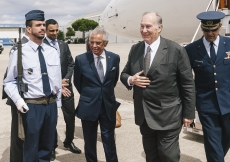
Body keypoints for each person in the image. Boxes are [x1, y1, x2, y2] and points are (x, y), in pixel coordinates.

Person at [120, 12, 195, 162]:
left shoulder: (175, 50)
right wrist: (131, 79)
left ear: (159, 28)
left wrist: (189, 113)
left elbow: (187, 83)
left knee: (168, 156)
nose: (144, 30)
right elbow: (124, 74)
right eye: (142, 26)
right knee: (151, 156)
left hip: (168, 115)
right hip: (144, 116)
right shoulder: (135, 49)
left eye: (148, 26)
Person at [3, 10, 62, 161]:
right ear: (29, 29)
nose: (43, 27)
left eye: (43, 24)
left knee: (47, 148)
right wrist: (18, 100)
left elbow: (57, 79)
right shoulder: (19, 51)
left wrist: (58, 103)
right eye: (38, 25)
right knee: (30, 150)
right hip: (31, 107)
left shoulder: (52, 50)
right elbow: (9, 81)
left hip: (51, 106)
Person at [185, 11, 230, 162]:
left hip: (228, 103)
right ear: (202, 28)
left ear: (220, 27)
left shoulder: (229, 44)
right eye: (206, 30)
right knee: (212, 140)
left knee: (226, 138)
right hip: (206, 104)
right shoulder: (191, 50)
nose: (210, 33)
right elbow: (185, 79)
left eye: (214, 29)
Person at [74, 26, 120, 162]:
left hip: (107, 106)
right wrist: (90, 96)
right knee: (89, 141)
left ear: (105, 43)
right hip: (88, 106)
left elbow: (113, 81)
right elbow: (77, 82)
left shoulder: (114, 58)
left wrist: (104, 95)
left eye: (98, 43)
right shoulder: (81, 59)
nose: (94, 45)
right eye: (91, 42)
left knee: (109, 140)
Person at [43, 19, 81, 161]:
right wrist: (57, 82)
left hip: (66, 88)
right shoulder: (41, 45)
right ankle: (51, 146)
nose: (55, 33)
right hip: (51, 89)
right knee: (51, 119)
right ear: (46, 31)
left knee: (70, 115)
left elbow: (71, 63)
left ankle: (68, 141)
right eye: (51, 30)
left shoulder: (63, 45)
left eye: (57, 30)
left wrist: (66, 79)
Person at [2, 31, 29, 162]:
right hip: (19, 97)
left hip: (30, 98)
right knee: (19, 136)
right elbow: (10, 75)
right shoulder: (19, 47)